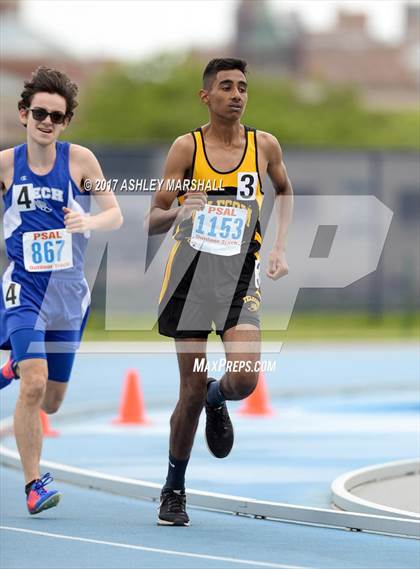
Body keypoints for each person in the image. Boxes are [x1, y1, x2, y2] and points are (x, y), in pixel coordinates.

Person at [146, 58, 293, 526]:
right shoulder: (185, 148)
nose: (236, 94)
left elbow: (285, 191)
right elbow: (152, 218)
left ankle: (218, 398)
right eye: (226, 86)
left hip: (238, 278)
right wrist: (179, 211)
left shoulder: (264, 145)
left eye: (243, 87)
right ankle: (174, 489)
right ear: (206, 96)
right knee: (187, 390)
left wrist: (278, 248)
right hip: (189, 280)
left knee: (246, 379)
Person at [0, 66, 123, 515]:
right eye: (39, 113)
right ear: (23, 114)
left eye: (56, 115)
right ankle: (34, 484)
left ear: (66, 121)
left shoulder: (80, 161)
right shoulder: (7, 164)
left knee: (51, 401)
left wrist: (88, 220)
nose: (46, 122)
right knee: (35, 386)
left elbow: (115, 214)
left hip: (69, 297)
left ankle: (13, 365)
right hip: (24, 290)